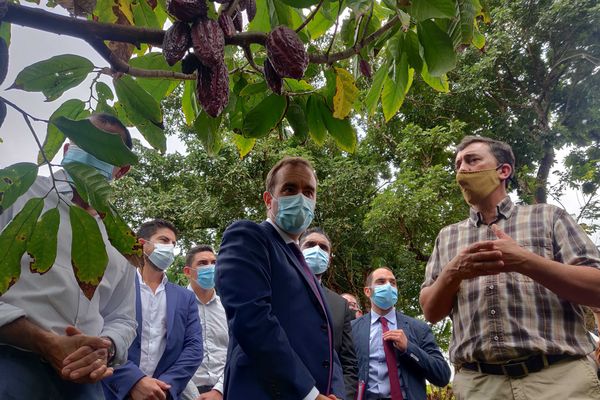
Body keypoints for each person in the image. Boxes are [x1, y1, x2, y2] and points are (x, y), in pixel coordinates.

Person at [420, 135, 600, 399]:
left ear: (503, 171)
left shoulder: (548, 217)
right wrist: (453, 271)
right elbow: (430, 312)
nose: (462, 170)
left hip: (560, 381)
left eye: (472, 160)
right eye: (458, 165)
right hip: (479, 386)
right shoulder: (447, 236)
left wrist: (525, 261)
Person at [0, 113, 137, 399]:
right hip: (10, 362)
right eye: (84, 142)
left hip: (84, 381)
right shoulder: (17, 194)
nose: (92, 152)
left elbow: (123, 318)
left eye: (104, 149)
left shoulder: (121, 238)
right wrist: (42, 340)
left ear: (121, 170)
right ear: (66, 150)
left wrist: (106, 347)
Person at [215, 156, 345, 399]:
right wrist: (310, 393)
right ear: (268, 199)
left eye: (309, 192)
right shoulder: (249, 237)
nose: (301, 198)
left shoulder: (301, 263)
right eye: (289, 188)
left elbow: (327, 345)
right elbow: (252, 320)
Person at [102, 219, 203, 400]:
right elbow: (102, 333)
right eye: (164, 240)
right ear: (142, 244)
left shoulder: (184, 297)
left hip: (163, 394)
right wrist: (135, 381)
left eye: (174, 243)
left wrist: (162, 388)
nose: (170, 247)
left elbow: (193, 349)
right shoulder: (118, 285)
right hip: (114, 391)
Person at [352, 267, 450, 400]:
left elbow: (442, 376)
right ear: (367, 291)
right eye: (381, 282)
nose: (388, 286)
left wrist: (409, 348)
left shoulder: (419, 329)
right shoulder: (353, 329)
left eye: (392, 283)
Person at [300, 228, 359, 400]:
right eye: (310, 245)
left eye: (323, 247)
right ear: (298, 250)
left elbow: (349, 362)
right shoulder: (280, 291)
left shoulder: (340, 304)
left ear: (329, 259)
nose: (317, 250)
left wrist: (341, 396)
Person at [182, 245, 228, 400]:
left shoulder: (228, 308)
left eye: (214, 262)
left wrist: (220, 390)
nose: (210, 267)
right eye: (202, 263)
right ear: (188, 272)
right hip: (185, 392)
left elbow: (235, 352)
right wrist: (191, 394)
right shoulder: (174, 306)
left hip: (226, 390)